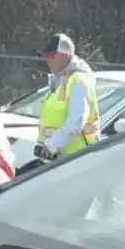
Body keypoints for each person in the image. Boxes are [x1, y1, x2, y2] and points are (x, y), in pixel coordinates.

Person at [32, 33, 101, 164]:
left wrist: (53, 144)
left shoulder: (79, 80)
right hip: (58, 160)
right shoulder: (60, 80)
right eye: (46, 56)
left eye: (52, 56)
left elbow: (77, 119)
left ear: (65, 55)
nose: (48, 60)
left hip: (75, 160)